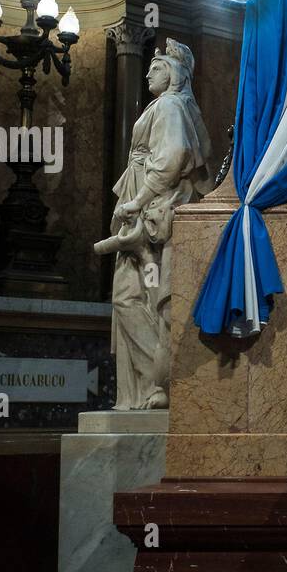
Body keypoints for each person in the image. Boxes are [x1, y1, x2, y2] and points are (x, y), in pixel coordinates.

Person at [95, 38, 211, 409]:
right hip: (150, 206)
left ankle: (161, 379)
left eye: (157, 66)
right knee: (143, 294)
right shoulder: (171, 106)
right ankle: (156, 382)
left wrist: (137, 201)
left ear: (175, 74)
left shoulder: (170, 106)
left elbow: (173, 156)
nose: (148, 71)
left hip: (152, 212)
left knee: (136, 294)